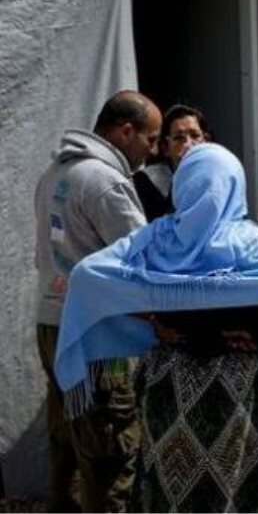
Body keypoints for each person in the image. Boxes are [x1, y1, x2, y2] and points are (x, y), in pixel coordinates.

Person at [53, 143, 258, 511]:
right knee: (231, 484)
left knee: (168, 481)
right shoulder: (250, 241)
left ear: (183, 185)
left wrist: (153, 313)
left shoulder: (157, 236)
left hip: (171, 379)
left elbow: (88, 276)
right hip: (235, 383)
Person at [34, 90, 160, 512]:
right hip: (97, 335)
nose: (153, 150)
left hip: (53, 323)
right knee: (110, 450)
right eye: (150, 139)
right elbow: (142, 260)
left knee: (69, 441)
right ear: (126, 131)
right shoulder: (106, 182)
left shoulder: (56, 172)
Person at [133, 104, 211, 221]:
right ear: (165, 148)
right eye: (179, 138)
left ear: (206, 141)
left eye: (195, 136)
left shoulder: (218, 175)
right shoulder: (145, 182)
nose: (188, 144)